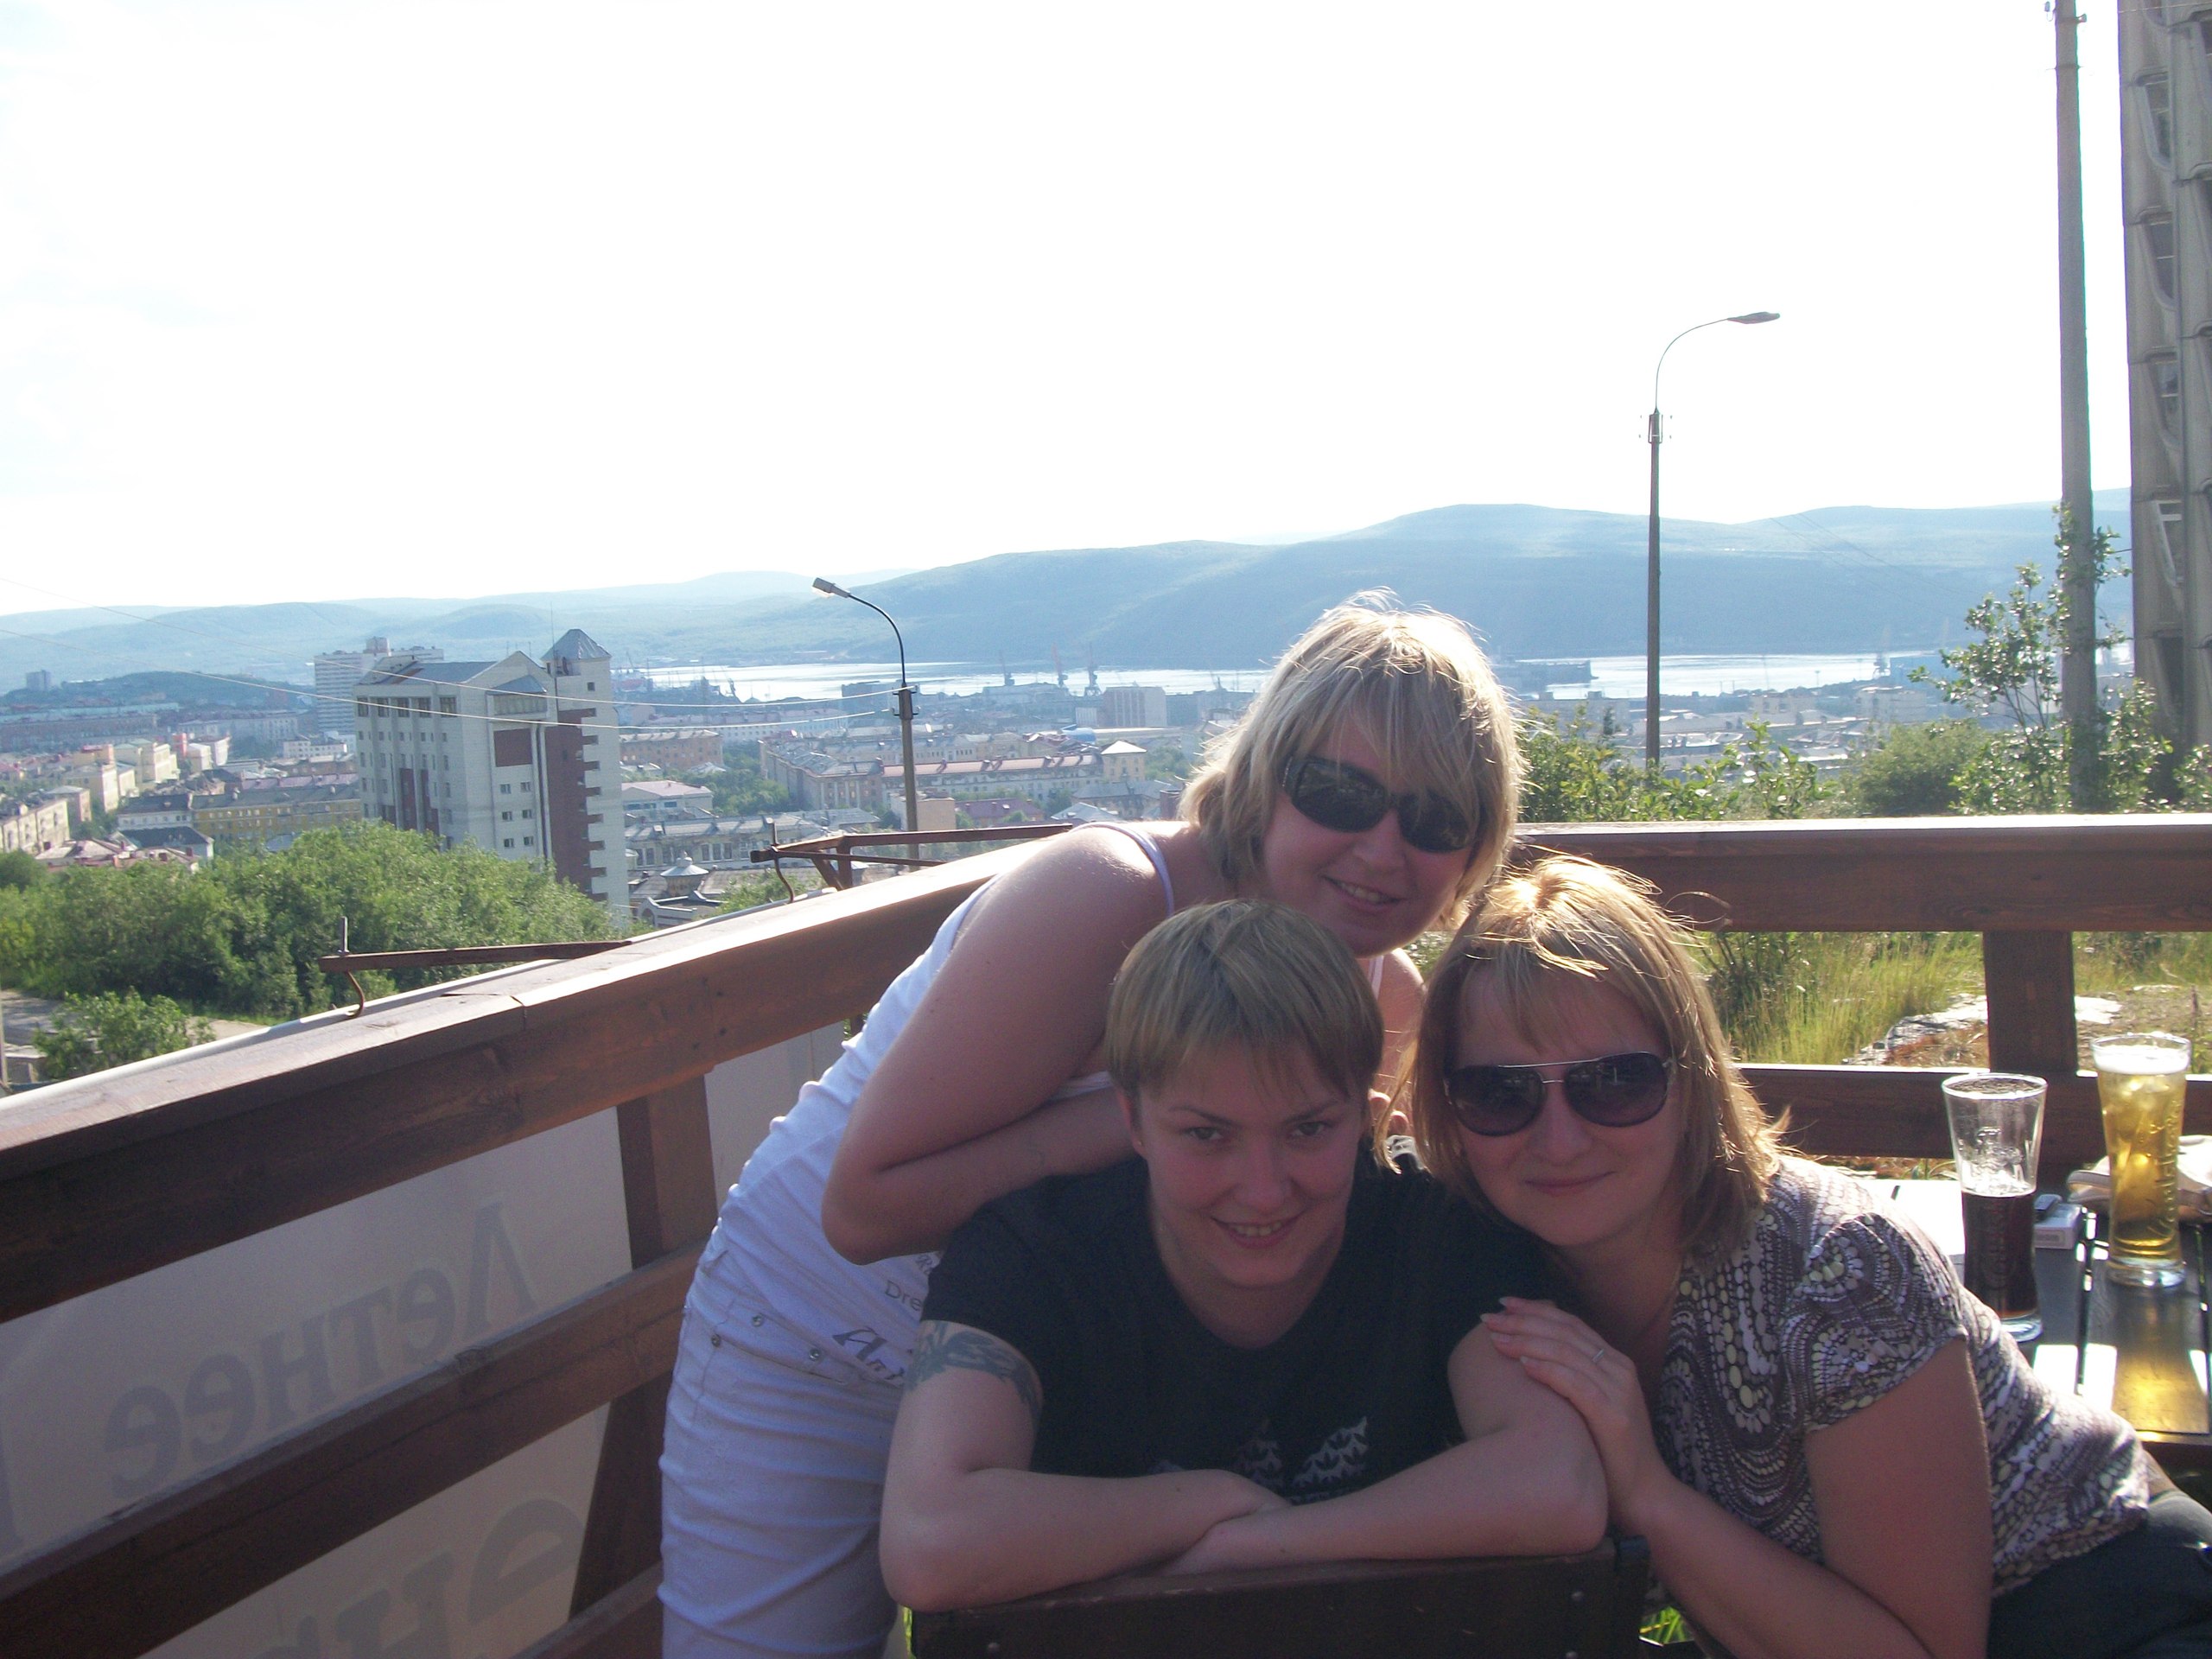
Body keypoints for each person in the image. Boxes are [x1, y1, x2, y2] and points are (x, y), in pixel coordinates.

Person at [659, 597, 1522, 1657]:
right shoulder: (1112, 898)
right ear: (1265, 779)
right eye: (1340, 792)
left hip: (1051, 1382)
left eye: (1435, 819)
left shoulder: (1386, 1008)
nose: (1383, 849)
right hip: (816, 1342)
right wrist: (1164, 1122)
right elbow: (863, 1206)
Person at [1402, 855, 2212, 1659]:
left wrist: (1646, 1492)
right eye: (1500, 1092)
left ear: (1692, 1078)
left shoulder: (1843, 1270)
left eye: (1615, 1082)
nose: (1559, 1140)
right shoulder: (1484, 1272)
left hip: (2115, 1610)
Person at [878, 901, 1605, 1611]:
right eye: (1207, 1135)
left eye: (1308, 1130)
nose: (1263, 1191)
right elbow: (929, 1540)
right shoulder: (1034, 1254)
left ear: (1363, 1111)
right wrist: (1209, 1501)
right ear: (1133, 1121)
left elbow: (1556, 1483)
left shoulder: (1437, 1229)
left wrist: (1252, 1547)